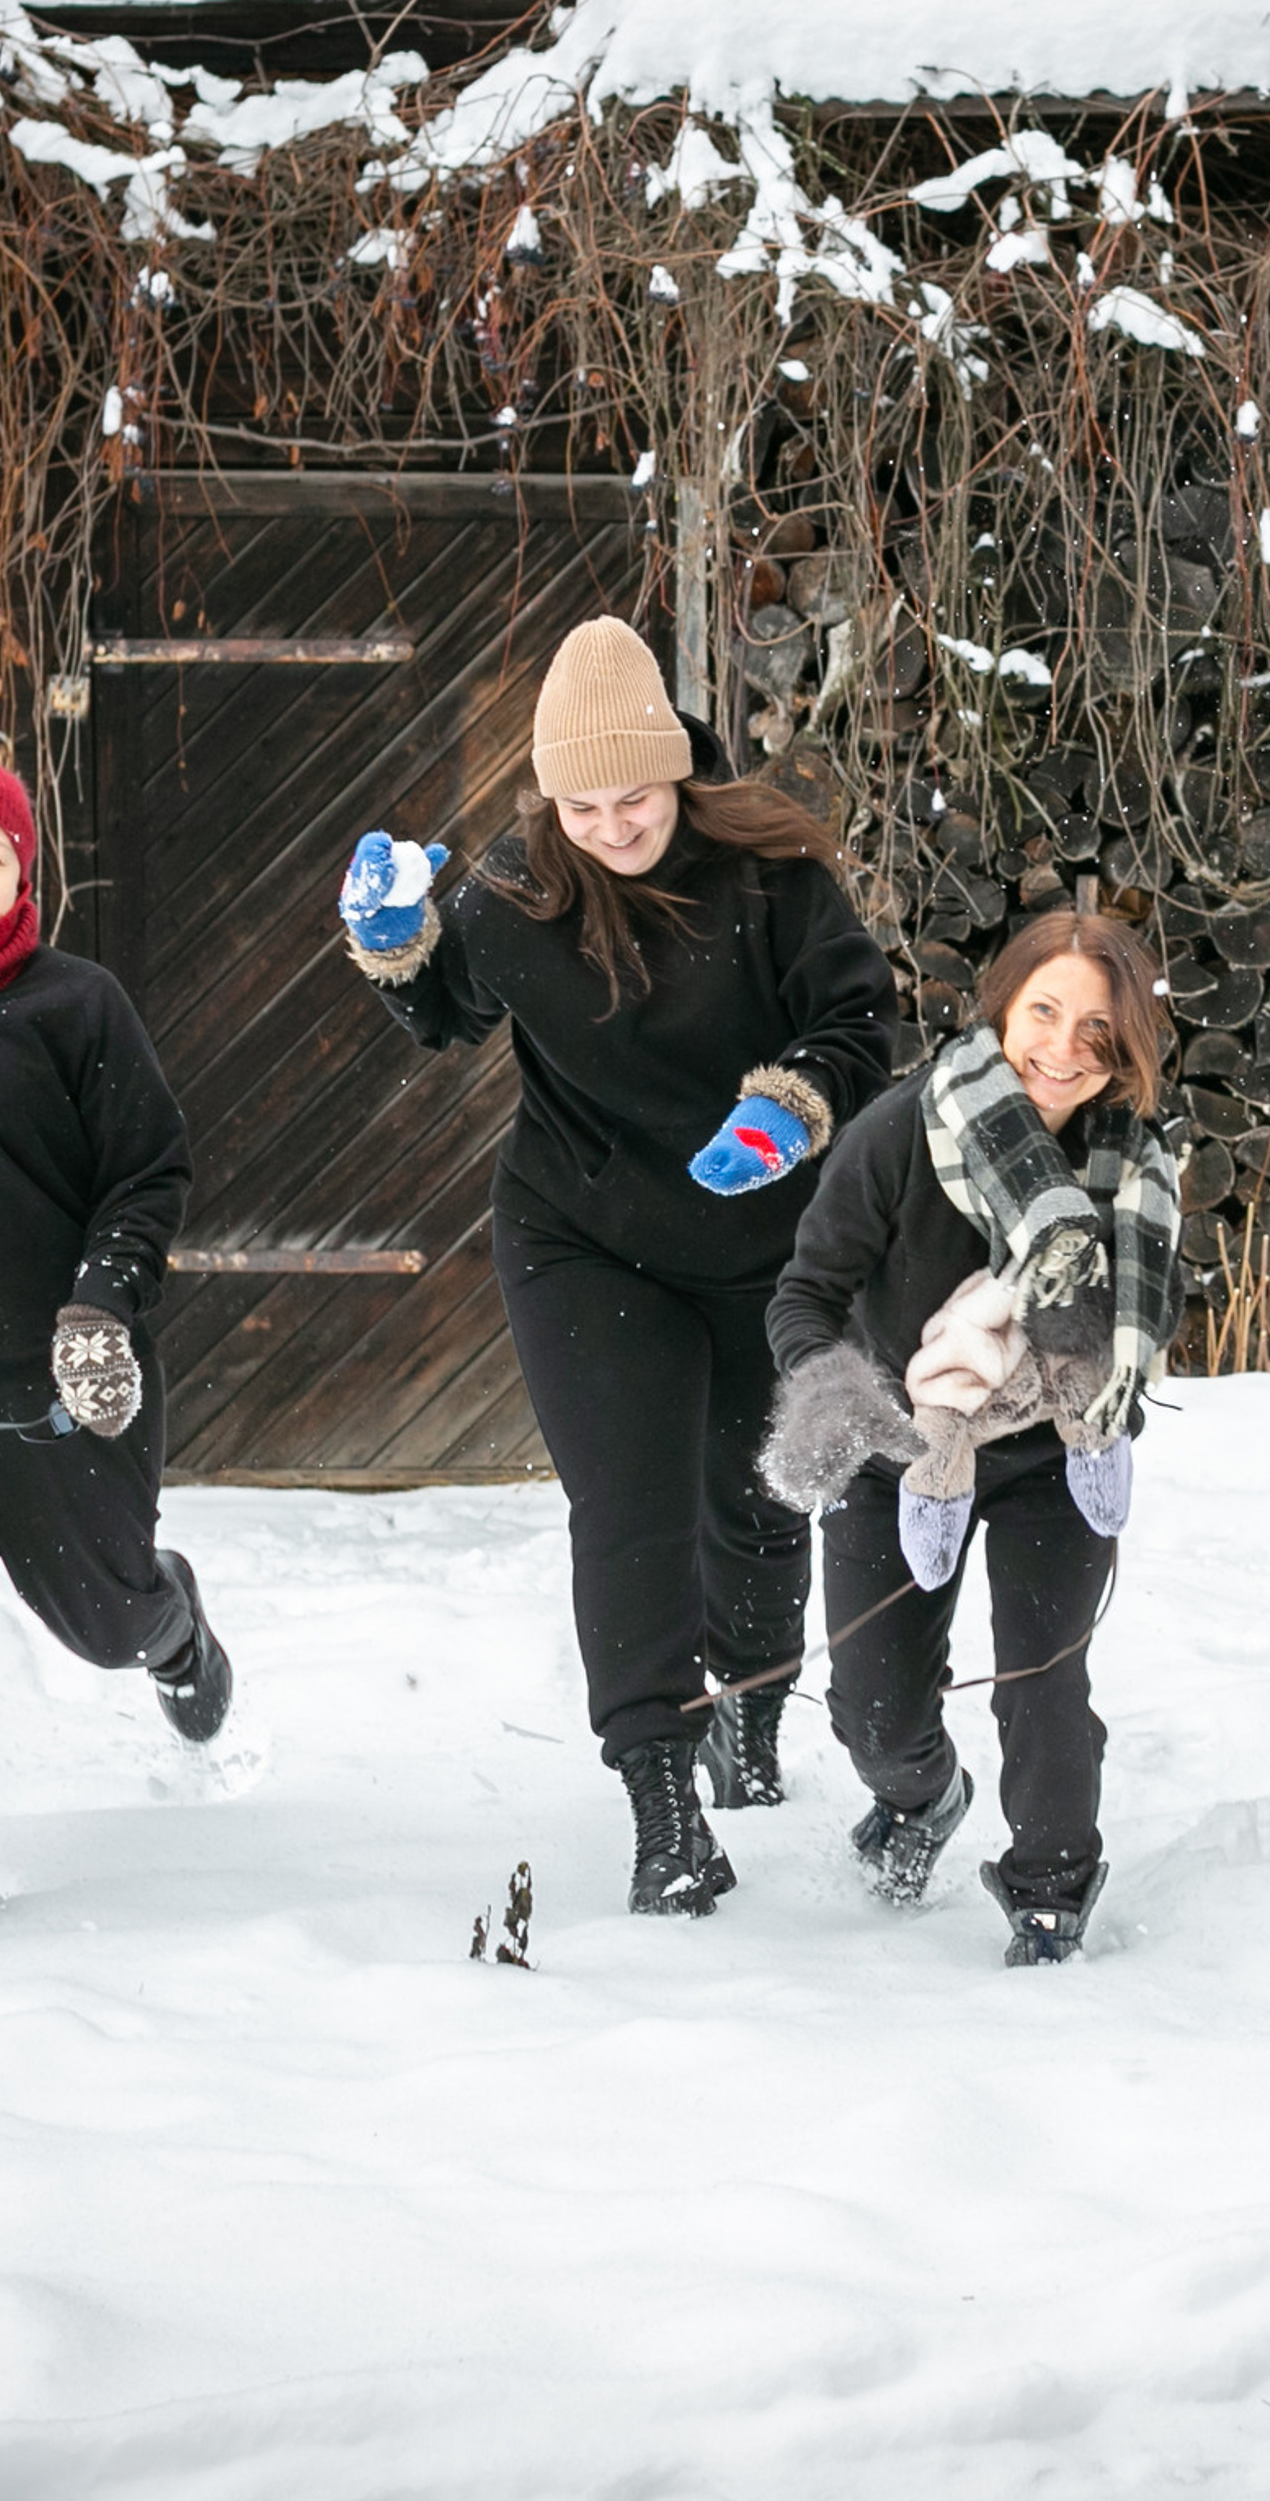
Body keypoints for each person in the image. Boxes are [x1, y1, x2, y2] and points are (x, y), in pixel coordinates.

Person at [340, 617, 894, 1918]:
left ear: (675, 770)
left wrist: (790, 1108)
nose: (609, 826)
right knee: (631, 1506)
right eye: (580, 806)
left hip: (762, 1239)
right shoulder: (516, 891)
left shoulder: (768, 875)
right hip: (582, 1239)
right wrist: (396, 940)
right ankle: (662, 1807)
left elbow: (858, 1018)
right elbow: (445, 1014)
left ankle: (751, 1713)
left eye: (632, 797)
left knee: (756, 1498)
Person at [0, 736, 227, 1972]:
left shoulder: (77, 1006)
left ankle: (172, 1627)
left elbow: (147, 1173)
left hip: (55, 1383)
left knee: (103, 1625)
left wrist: (100, 1307)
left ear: (26, 872)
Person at [760, 912, 1181, 1965]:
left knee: (1044, 1681)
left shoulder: (1131, 1163)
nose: (1063, 1049)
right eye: (1045, 1011)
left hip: (1053, 1456)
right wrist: (836, 1400)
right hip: (901, 1445)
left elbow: (1146, 1307)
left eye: (1097, 1029)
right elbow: (806, 1292)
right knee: (874, 1712)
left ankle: (1050, 1889)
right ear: (1001, 1005)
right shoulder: (901, 1129)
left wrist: (1102, 1377)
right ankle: (922, 1798)